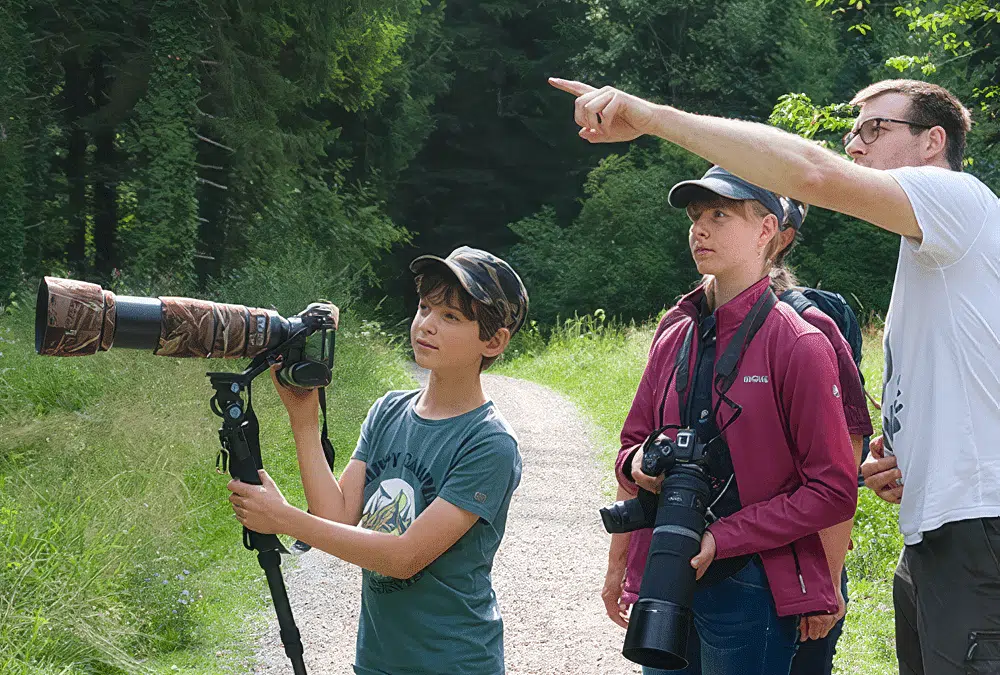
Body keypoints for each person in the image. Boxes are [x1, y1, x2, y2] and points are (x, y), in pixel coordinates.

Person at [552, 75, 1000, 675]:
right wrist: (908, 457)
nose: (855, 147)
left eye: (874, 128)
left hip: (975, 526)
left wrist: (651, 116)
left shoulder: (959, 199)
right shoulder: (930, 259)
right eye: (851, 132)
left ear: (932, 141)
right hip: (936, 528)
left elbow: (809, 174)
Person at [227, 246, 529, 675]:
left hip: (454, 662)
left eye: (451, 317)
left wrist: (285, 519)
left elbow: (403, 557)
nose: (427, 324)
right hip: (378, 660)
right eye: (425, 307)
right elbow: (338, 515)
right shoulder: (388, 411)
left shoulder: (489, 443)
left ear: (493, 341)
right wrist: (304, 420)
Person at [606, 164, 858, 674]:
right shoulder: (674, 333)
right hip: (667, 570)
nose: (699, 229)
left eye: (720, 215)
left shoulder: (799, 341)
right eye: (696, 216)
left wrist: (726, 536)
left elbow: (833, 489)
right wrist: (639, 469)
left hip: (755, 581)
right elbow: (630, 445)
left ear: (767, 230)